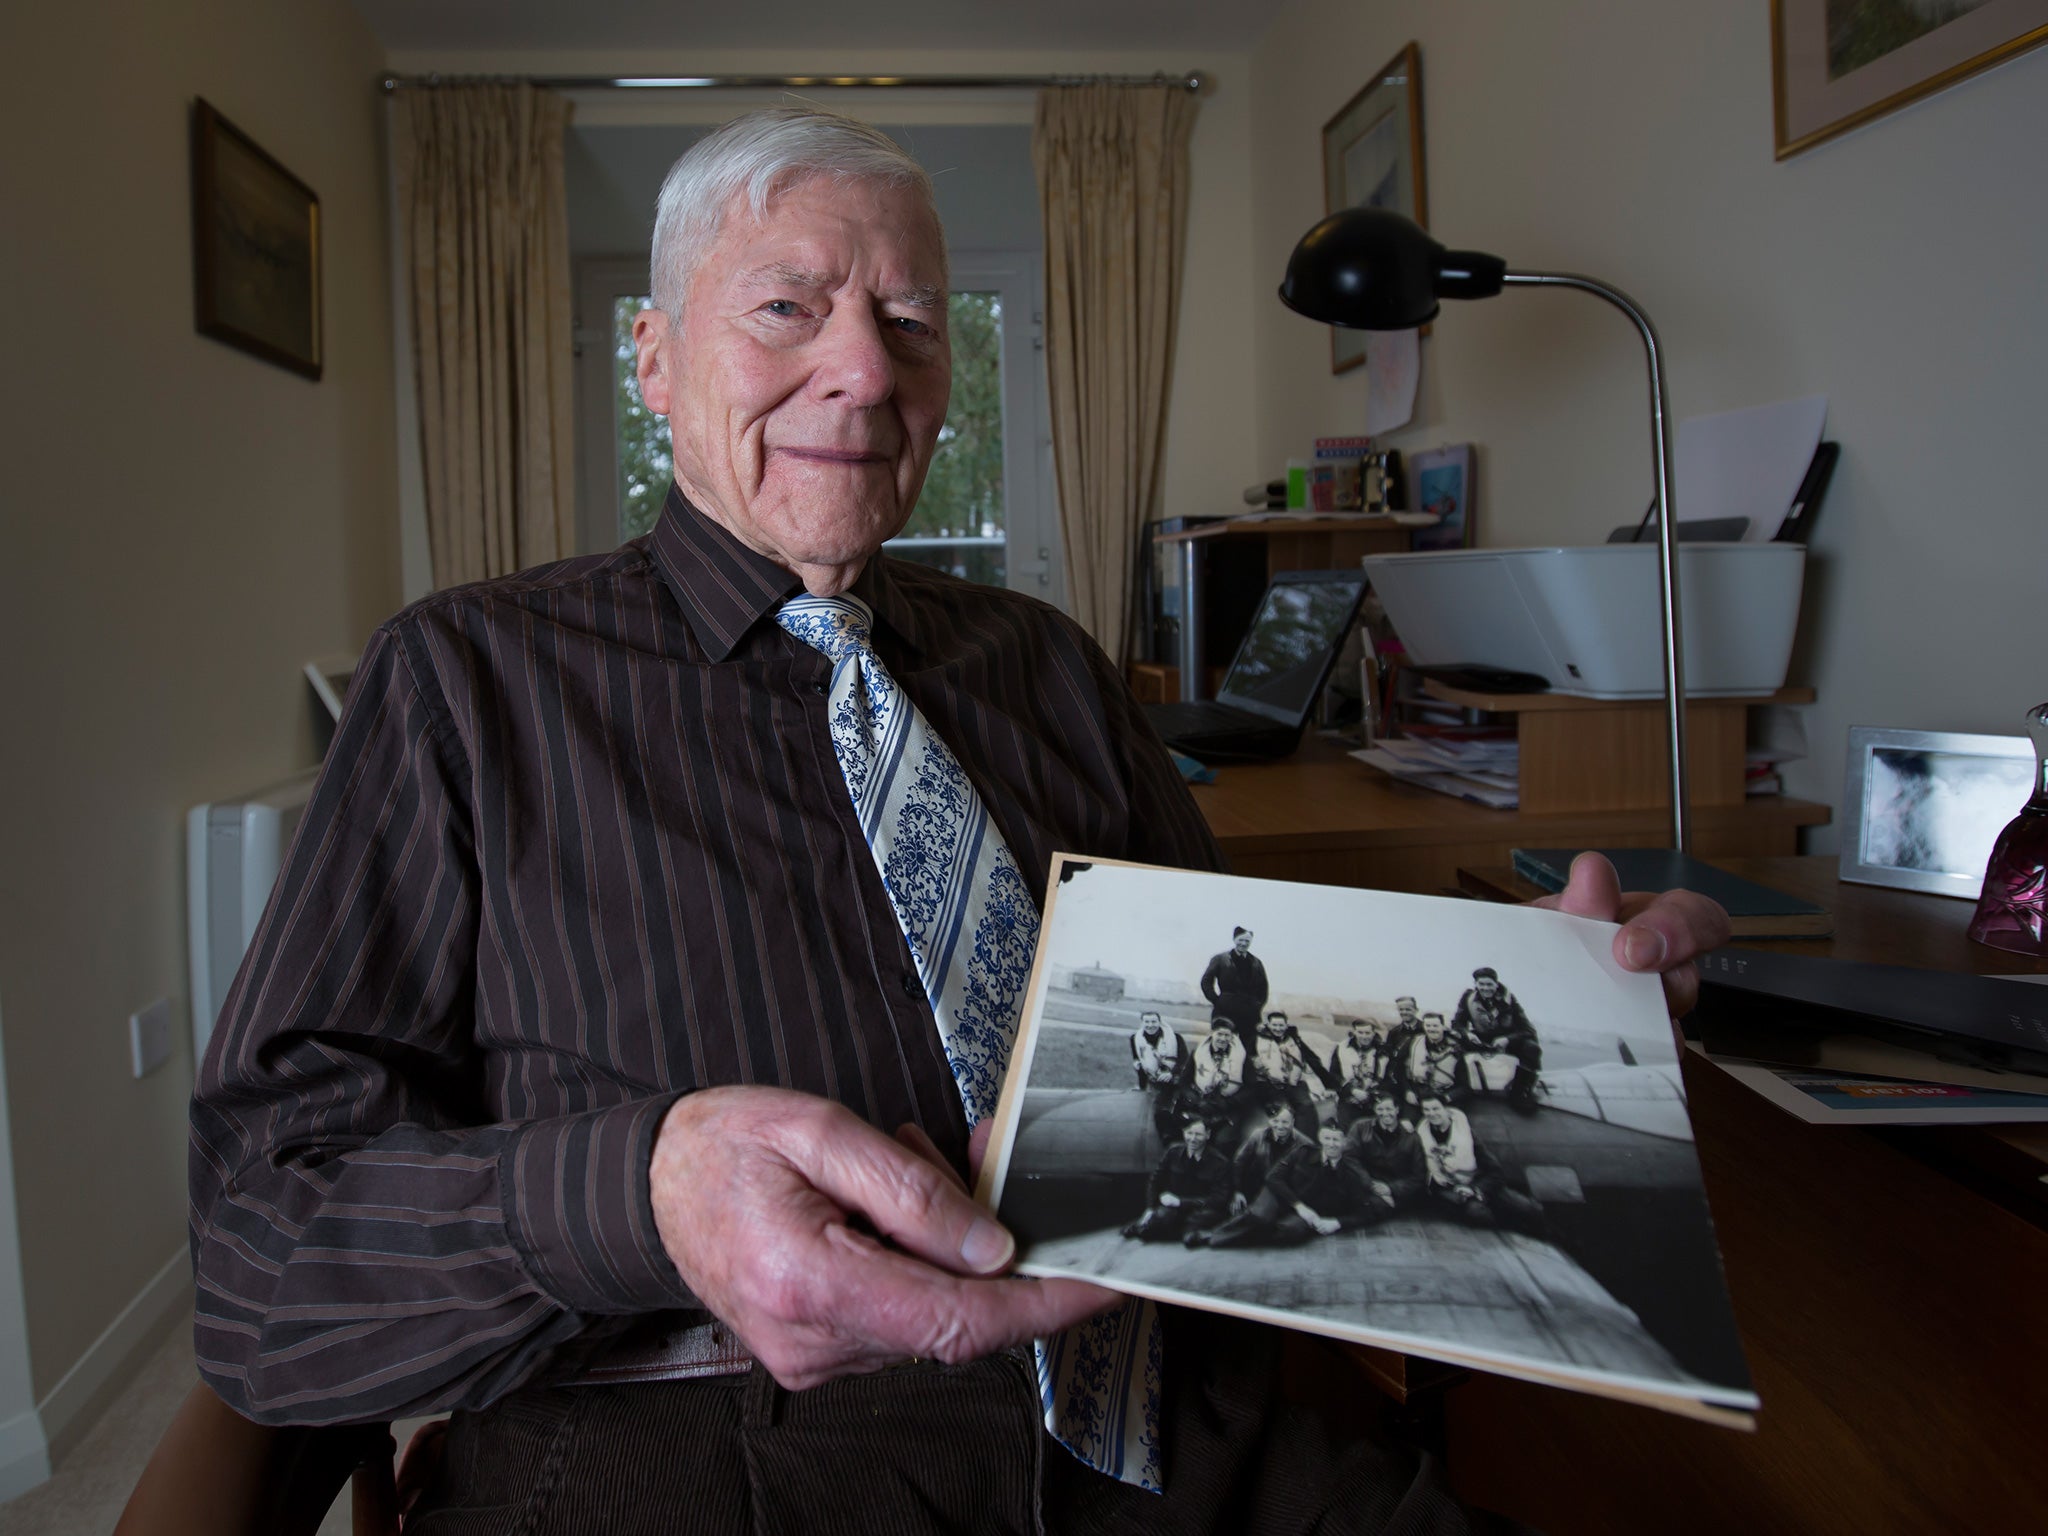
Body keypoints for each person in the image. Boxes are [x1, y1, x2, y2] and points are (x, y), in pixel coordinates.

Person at [184, 105, 1731, 1535]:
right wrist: (641, 1193)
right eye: (789, 306)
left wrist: (1496, 1007)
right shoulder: (466, 684)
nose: (864, 371)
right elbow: (260, 1256)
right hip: (693, 1443)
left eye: (913, 322)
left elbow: (1223, 1033)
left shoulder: (1045, 666)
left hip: (1172, 1427)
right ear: (653, 359)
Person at [1200, 1123, 1392, 1249]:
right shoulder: (1303, 1152)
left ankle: (1251, 1235)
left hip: (1308, 1211)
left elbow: (1364, 1210)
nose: (1331, 1144)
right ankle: (1211, 1237)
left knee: (1289, 1233)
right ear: (1320, 1138)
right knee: (1260, 1217)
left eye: (1336, 1140)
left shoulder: (1351, 1172)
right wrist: (1299, 1206)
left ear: (1345, 1143)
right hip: (1281, 1195)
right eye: (1327, 1139)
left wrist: (1336, 1223)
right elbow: (1273, 1178)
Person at [1413, 1091, 1547, 1237]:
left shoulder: (1465, 1134)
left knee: (1530, 1209)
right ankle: (1506, 1233)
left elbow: (1495, 1171)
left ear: (1445, 1108)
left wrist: (1476, 1189)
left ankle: (1543, 1235)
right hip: (1450, 1189)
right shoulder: (1422, 1136)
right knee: (1477, 1214)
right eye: (1426, 1110)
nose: (1431, 1114)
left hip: (1479, 1183)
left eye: (1435, 1108)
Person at [1121, 1118, 1234, 1245]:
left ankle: (1187, 1232)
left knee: (1193, 1227)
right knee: (1156, 1223)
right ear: (1183, 1133)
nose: (1193, 1139)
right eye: (1189, 1133)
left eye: (1198, 1134)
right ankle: (1152, 1226)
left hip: (1200, 1209)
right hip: (1174, 1207)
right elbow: (1155, 1180)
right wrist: (1150, 1208)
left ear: (1208, 1135)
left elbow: (1219, 1198)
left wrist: (1181, 1202)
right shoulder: (1173, 1152)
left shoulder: (1220, 1162)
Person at [1452, 966, 1544, 1113]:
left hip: (1504, 1042)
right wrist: (1467, 1034)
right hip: (1479, 1040)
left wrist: (1507, 1039)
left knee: (1531, 1048)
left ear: (1496, 984)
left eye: (1489, 984)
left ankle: (1519, 1093)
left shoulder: (1510, 1000)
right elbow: (1457, 1023)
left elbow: (1528, 1030)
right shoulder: (1468, 998)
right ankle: (1460, 1090)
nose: (1485, 988)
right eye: (1481, 984)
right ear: (1476, 984)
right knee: (1454, 1045)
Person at [1247, 1007, 1335, 1132]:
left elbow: (1313, 1060)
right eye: (1275, 1025)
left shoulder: (1295, 1040)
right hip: (1268, 1085)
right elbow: (1247, 1062)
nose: (1278, 1029)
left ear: (1286, 1025)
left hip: (1294, 1084)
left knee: (1306, 1107)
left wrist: (1330, 1084)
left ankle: (1306, 1143)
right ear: (1268, 1025)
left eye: (1281, 1025)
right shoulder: (1257, 1039)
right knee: (1280, 1110)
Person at [1343, 1094, 1426, 1217]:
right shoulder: (1360, 1127)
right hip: (1365, 1182)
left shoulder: (1412, 1137)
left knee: (1378, 1207)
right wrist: (1370, 1184)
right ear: (1375, 1110)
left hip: (1396, 1187)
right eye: (1380, 1109)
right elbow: (1349, 1156)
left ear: (1397, 1110)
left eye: (1389, 1109)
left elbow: (1419, 1174)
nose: (1385, 1113)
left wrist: (1391, 1188)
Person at [1178, 1014, 1252, 1149]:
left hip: (1228, 1107)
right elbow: (1184, 1082)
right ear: (1211, 1033)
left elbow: (1251, 1087)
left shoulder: (1241, 1056)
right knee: (1191, 1136)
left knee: (1223, 1142)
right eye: (1219, 1034)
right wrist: (1196, 1100)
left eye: (1227, 1035)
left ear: (1232, 1037)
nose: (1223, 1039)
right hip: (1203, 1104)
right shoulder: (1199, 1053)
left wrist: (1229, 1102)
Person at [1199, 926, 1269, 1048]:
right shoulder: (1220, 959)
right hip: (1225, 1010)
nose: (1243, 943)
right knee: (1221, 1043)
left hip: (1249, 1014)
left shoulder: (1257, 963)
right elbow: (1206, 981)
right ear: (1234, 939)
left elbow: (1264, 988)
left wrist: (1257, 1005)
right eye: (1241, 940)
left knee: (1249, 1046)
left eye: (1247, 941)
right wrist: (1217, 1001)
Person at [1130, 1010, 1189, 1142]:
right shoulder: (1135, 1039)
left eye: (1154, 1021)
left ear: (1159, 1022)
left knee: (1174, 1107)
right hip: (1154, 1081)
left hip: (1174, 1080)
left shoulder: (1175, 1038)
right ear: (1142, 1023)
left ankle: (1175, 1137)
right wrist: (1142, 1085)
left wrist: (1171, 1074)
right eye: (1147, 1021)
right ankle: (1166, 1136)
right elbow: (1138, 1060)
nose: (1150, 1025)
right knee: (1156, 1107)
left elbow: (1184, 1061)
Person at [1328, 1016, 1394, 1132]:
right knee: (1349, 1133)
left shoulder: (1383, 1051)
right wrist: (1352, 1091)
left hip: (1375, 1098)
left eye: (1368, 1033)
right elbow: (1333, 1075)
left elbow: (1388, 1078)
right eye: (1360, 1032)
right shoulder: (1342, 1048)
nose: (1364, 1036)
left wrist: (1370, 1094)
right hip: (1349, 1097)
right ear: (1354, 1032)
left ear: (1374, 1033)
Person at [1399, 1011, 1472, 1109]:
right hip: (1417, 1095)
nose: (1431, 1029)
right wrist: (1407, 1091)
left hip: (1443, 1097)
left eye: (1435, 1026)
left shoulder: (1456, 1050)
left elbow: (1464, 1086)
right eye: (1428, 1026)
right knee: (1406, 1123)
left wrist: (1444, 1098)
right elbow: (1399, 1069)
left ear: (1443, 1026)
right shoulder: (1412, 1043)